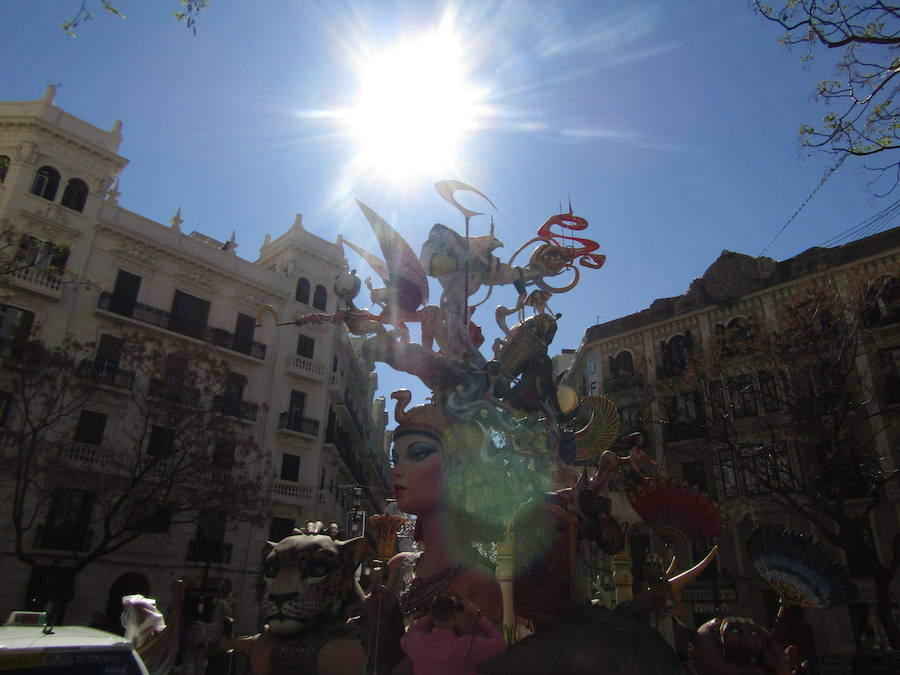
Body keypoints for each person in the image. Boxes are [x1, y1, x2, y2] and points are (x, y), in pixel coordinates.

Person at [400, 595, 504, 675]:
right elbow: (500, 644)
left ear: (433, 615)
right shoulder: (466, 646)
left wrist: (428, 618)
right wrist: (478, 615)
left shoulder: (417, 643)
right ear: (454, 617)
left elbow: (407, 636)